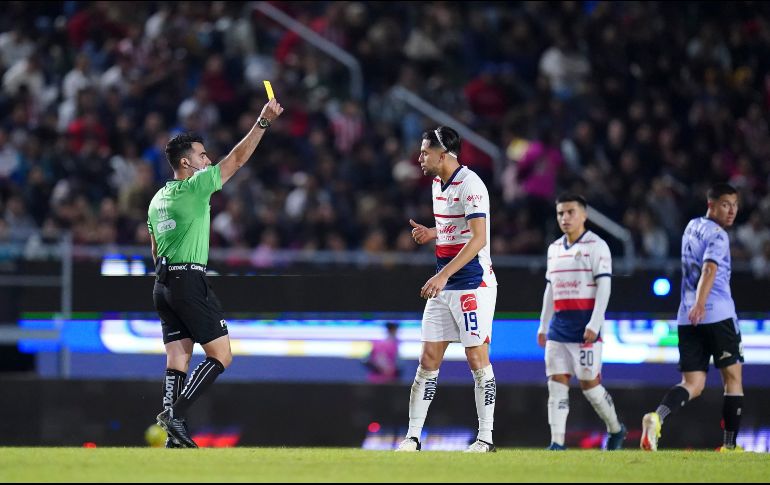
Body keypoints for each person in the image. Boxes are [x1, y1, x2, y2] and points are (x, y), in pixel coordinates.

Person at [148, 98, 284, 448]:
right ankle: (175, 415)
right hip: (188, 280)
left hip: (163, 285)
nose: (207, 160)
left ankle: (173, 438)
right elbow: (236, 160)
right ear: (185, 163)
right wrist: (263, 122)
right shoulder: (194, 188)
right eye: (202, 155)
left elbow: (154, 249)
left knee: (177, 358)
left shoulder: (157, 200)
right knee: (221, 355)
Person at [396, 126, 498, 453]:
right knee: (428, 358)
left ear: (443, 155)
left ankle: (485, 438)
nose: (419, 158)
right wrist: (433, 233)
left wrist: (442, 276)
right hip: (446, 282)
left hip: (473, 283)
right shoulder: (437, 184)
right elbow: (455, 230)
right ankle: (413, 437)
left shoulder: (471, 185)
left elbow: (478, 239)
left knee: (477, 357)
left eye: (425, 152)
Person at [641, 183, 744, 452]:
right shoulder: (719, 235)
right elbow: (709, 269)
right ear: (711, 205)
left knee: (692, 384)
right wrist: (700, 303)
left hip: (686, 317)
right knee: (733, 380)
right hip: (717, 314)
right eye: (725, 205)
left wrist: (694, 306)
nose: (732, 211)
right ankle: (729, 447)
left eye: (735, 205)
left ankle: (656, 418)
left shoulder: (691, 226)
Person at [537, 194, 627, 451]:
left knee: (590, 386)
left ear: (584, 215)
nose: (565, 218)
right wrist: (543, 325)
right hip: (559, 327)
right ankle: (557, 442)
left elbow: (605, 286)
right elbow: (550, 289)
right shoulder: (554, 248)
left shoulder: (597, 246)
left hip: (585, 326)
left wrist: (594, 324)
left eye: (570, 212)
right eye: (560, 213)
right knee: (556, 383)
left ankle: (616, 428)